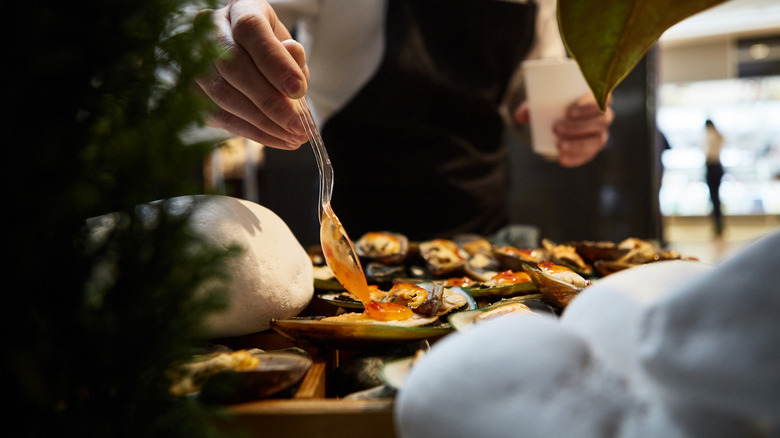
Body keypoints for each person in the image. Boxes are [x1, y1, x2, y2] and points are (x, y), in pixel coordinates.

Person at [194, 0, 615, 241]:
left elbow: (527, 90)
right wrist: (211, 31)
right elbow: (226, 12)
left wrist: (566, 121)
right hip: (359, 227)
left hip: (482, 226)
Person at [704, 118, 725, 237]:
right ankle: (719, 225)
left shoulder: (710, 135)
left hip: (712, 166)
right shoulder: (719, 135)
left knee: (714, 197)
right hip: (718, 166)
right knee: (716, 197)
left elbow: (708, 154)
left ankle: (717, 225)